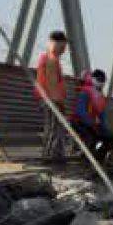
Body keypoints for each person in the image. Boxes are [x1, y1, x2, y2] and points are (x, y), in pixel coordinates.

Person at [36, 30, 68, 164]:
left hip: (52, 100)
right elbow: (52, 83)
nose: (65, 49)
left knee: (55, 129)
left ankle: (55, 156)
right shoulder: (50, 59)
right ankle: (49, 157)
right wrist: (59, 103)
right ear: (58, 44)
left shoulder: (52, 59)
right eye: (64, 45)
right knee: (53, 129)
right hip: (51, 100)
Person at [71, 70, 113, 163]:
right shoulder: (85, 93)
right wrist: (91, 123)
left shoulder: (100, 97)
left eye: (103, 81)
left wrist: (103, 129)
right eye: (99, 80)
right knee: (91, 138)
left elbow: (101, 116)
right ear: (93, 79)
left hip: (91, 124)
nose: (101, 83)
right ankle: (86, 159)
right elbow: (80, 111)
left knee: (111, 137)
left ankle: (99, 159)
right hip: (79, 122)